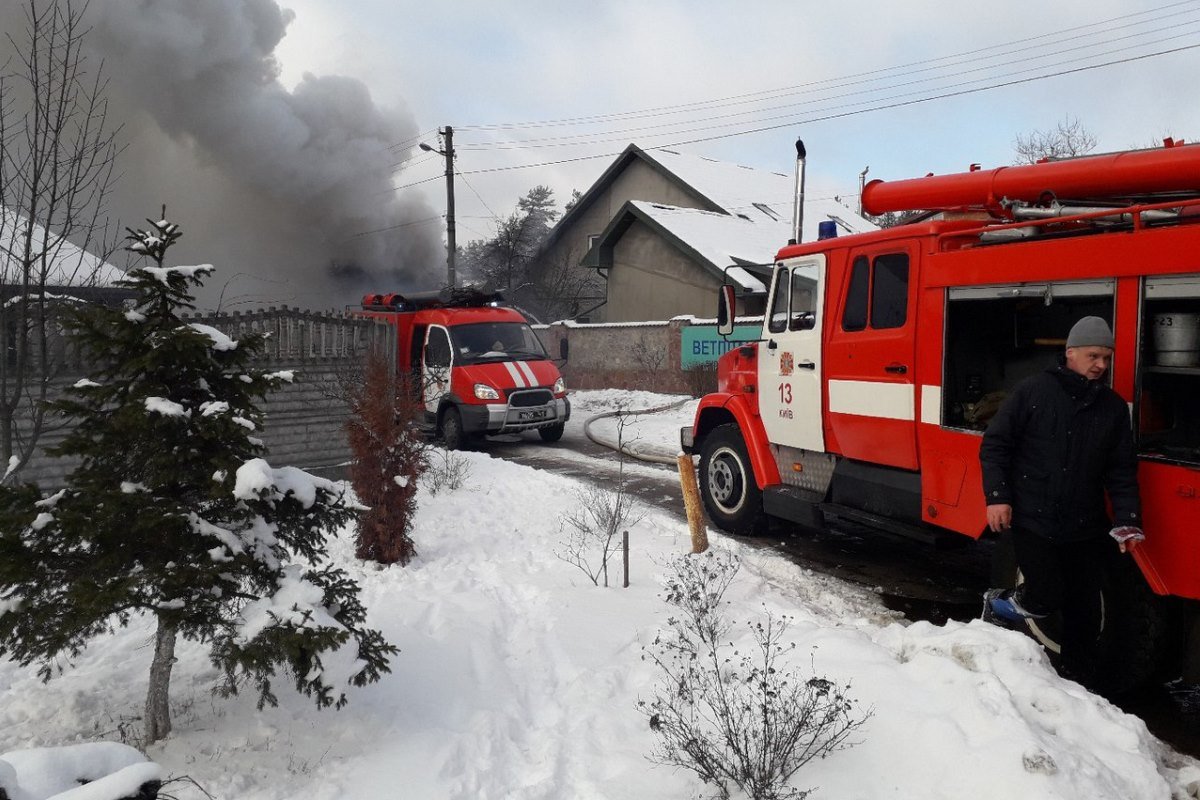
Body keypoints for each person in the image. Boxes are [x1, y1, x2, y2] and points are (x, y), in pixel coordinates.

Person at [979, 315, 1144, 684]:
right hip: (1033, 517)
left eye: (1106, 358)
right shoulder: (1033, 392)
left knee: (1085, 610)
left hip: (1085, 523)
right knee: (1046, 594)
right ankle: (1000, 604)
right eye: (1093, 356)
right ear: (1071, 352)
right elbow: (995, 445)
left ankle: (1076, 682)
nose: (1100, 365)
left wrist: (1128, 519)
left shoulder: (1112, 408)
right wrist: (997, 497)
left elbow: (1121, 469)